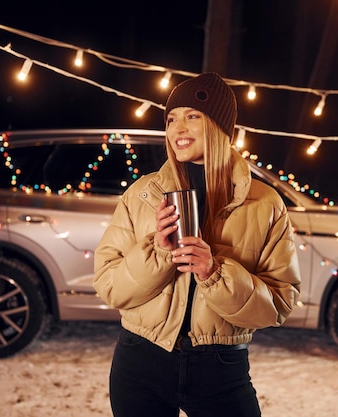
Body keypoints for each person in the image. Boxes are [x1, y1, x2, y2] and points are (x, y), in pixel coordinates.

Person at [93, 72, 301, 417]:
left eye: (192, 116)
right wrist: (159, 252)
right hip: (140, 360)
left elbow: (278, 304)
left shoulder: (264, 204)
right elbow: (110, 287)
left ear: (220, 126)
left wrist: (214, 272)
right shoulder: (143, 195)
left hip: (220, 369)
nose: (178, 128)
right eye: (172, 119)